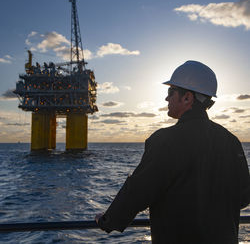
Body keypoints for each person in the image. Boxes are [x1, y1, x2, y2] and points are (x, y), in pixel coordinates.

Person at [95, 60, 250, 244]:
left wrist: (108, 220)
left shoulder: (165, 140)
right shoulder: (231, 141)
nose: (166, 98)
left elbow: (138, 191)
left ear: (187, 98)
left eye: (171, 92)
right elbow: (243, 197)